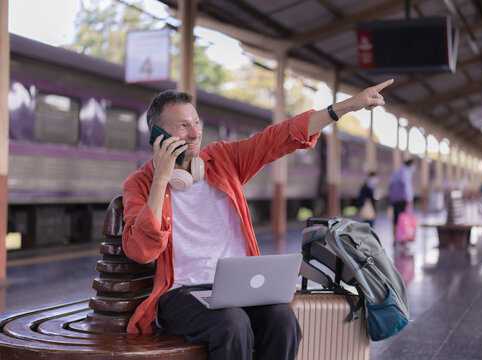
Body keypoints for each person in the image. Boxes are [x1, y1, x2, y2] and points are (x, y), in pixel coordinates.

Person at [121, 78, 393, 360]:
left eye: (196, 123)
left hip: (236, 290)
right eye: (182, 125)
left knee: (283, 321)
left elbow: (279, 138)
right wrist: (161, 180)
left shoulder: (223, 160)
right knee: (232, 323)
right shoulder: (139, 184)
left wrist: (346, 106)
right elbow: (141, 251)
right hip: (181, 294)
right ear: (157, 135)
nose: (194, 133)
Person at [388, 159, 415, 238]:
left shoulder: (397, 172)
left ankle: (395, 236)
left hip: (394, 199)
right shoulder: (406, 172)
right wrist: (409, 199)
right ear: (410, 164)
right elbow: (407, 187)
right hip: (402, 199)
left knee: (396, 218)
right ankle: (401, 236)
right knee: (403, 219)